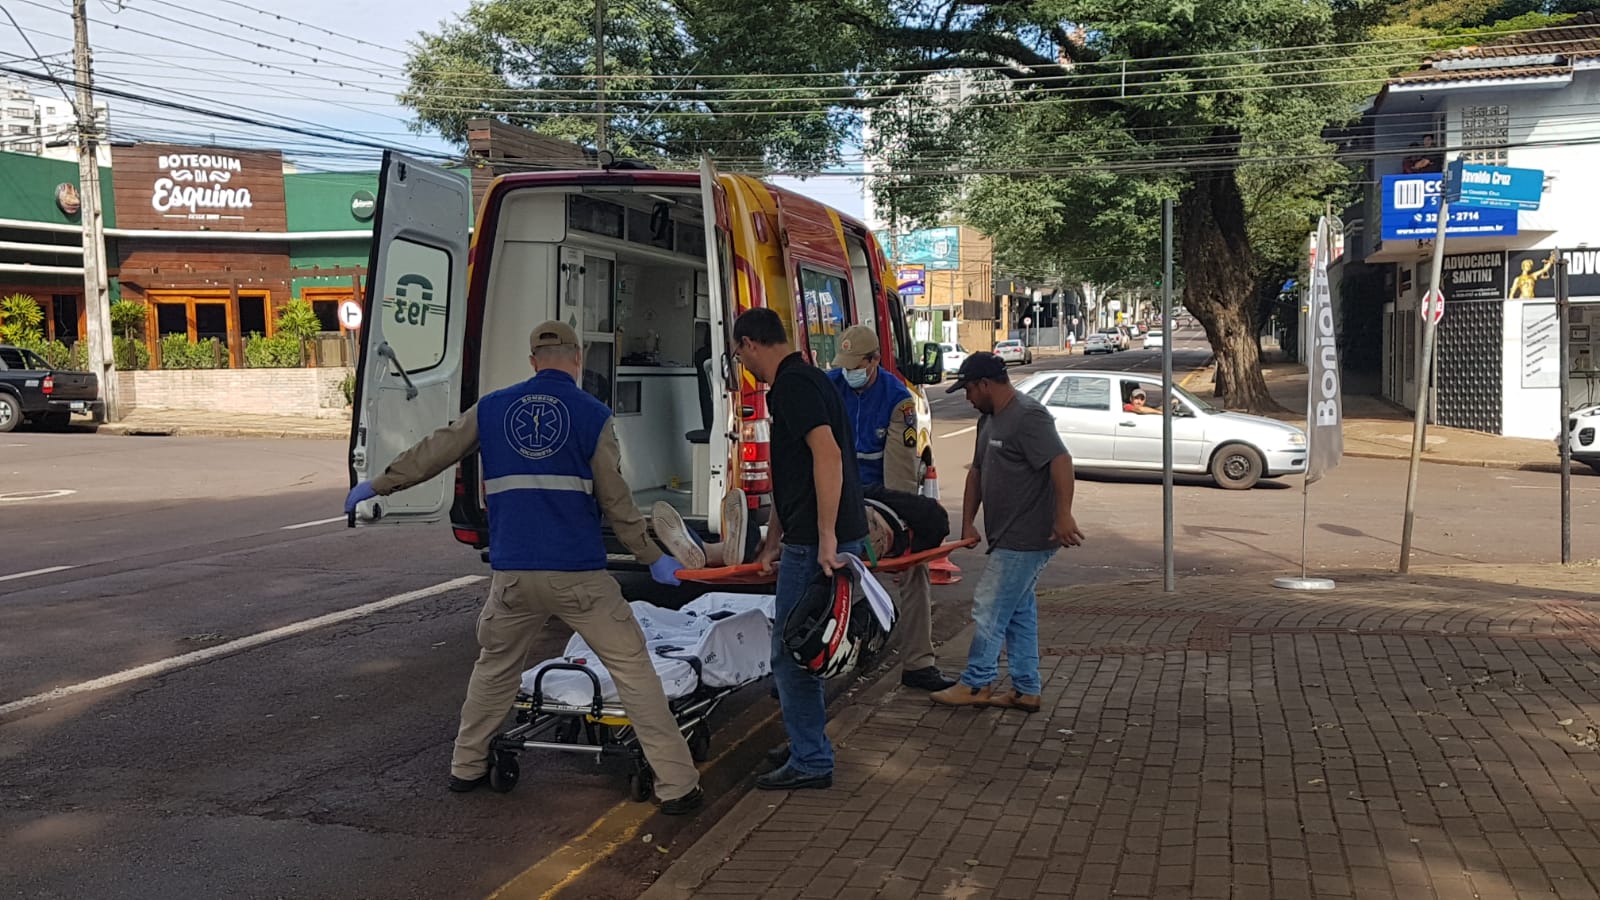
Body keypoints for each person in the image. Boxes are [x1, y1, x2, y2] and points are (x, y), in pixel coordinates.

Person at [343, 320, 704, 814]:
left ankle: (466, 766)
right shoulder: (593, 414)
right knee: (634, 674)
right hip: (579, 576)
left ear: (532, 361)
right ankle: (678, 786)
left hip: (513, 576)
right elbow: (617, 502)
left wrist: (378, 485)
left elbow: (436, 450)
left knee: (494, 670)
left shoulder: (491, 409)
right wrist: (653, 557)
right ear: (577, 360)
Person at [733, 307, 867, 791]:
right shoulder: (808, 379)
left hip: (817, 544)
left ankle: (811, 759)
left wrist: (825, 537)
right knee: (806, 647)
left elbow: (826, 455)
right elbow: (790, 476)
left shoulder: (792, 386)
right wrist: (772, 540)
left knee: (791, 651)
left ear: (750, 344)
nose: (742, 363)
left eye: (739, 354)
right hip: (808, 537)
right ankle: (806, 740)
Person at [932, 352, 1084, 714]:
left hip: (1028, 536)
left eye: (968, 389)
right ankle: (1025, 689)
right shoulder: (989, 420)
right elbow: (977, 472)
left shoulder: (1028, 416)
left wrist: (1063, 515)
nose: (967, 397)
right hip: (1005, 534)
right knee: (1017, 612)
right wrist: (969, 522)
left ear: (986, 384)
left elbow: (1061, 462)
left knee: (989, 605)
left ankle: (976, 683)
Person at [826, 324, 955, 692]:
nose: (848, 371)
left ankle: (918, 663)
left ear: (874, 361)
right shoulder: (830, 386)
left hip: (875, 496)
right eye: (844, 363)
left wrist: (900, 535)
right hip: (831, 491)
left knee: (914, 570)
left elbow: (898, 478)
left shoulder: (898, 401)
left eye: (856, 364)